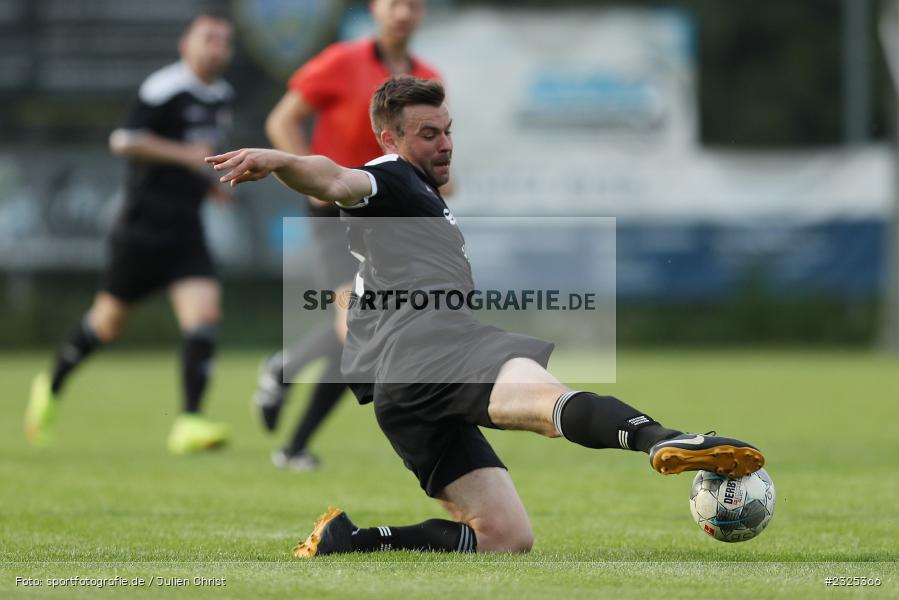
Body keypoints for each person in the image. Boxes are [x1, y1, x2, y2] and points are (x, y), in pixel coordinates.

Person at [206, 76, 766, 555]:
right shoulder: (393, 178)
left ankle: (354, 539)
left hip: (402, 393)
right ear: (390, 138)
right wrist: (279, 160)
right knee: (553, 403)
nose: (445, 143)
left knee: (503, 536)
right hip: (434, 350)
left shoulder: (418, 192)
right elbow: (335, 179)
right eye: (429, 134)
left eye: (448, 130)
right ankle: (667, 440)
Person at [25, 10, 234, 455]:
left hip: (186, 229)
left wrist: (210, 185)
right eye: (208, 39)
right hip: (141, 229)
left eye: (223, 41)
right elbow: (124, 139)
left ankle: (189, 421)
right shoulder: (164, 87)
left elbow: (202, 156)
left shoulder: (221, 96)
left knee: (204, 316)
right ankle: (52, 383)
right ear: (186, 45)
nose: (216, 48)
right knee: (106, 325)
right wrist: (183, 156)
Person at [255, 0, 441, 471]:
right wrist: (310, 179)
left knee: (361, 326)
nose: (404, 13)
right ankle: (293, 445)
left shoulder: (425, 76)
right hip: (337, 212)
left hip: (390, 223)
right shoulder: (343, 60)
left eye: (414, 5)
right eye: (395, 3)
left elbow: (423, 145)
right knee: (355, 325)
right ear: (376, 8)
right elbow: (280, 119)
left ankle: (286, 375)